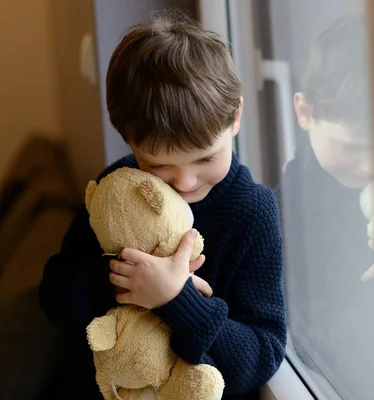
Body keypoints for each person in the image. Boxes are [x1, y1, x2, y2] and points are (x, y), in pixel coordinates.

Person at [38, 13, 285, 400]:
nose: (185, 183)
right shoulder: (117, 191)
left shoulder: (252, 211)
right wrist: (119, 280)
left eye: (206, 159)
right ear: (126, 137)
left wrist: (177, 299)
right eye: (159, 166)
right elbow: (53, 295)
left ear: (236, 116)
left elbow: (261, 355)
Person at [274, 13, 374, 400]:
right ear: (304, 112)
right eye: (353, 147)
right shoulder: (289, 215)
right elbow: (316, 338)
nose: (371, 165)